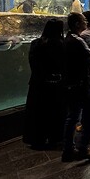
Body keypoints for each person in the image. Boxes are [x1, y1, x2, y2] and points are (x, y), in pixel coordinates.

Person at [61, 12, 90, 162]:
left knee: (72, 116)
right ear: (77, 24)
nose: (86, 22)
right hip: (81, 84)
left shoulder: (67, 39)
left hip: (70, 84)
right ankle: (83, 147)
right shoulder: (78, 40)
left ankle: (68, 150)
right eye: (83, 20)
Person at [22, 18, 66, 149]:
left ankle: (37, 138)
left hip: (38, 84)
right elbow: (63, 65)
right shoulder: (61, 44)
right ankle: (55, 137)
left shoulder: (36, 43)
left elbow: (33, 63)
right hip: (56, 84)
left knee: (38, 112)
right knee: (56, 112)